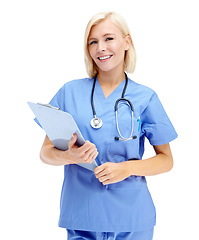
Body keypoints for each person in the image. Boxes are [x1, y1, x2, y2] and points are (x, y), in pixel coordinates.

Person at [38, 12, 177, 240]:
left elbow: (166, 159)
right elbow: (45, 153)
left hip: (132, 218)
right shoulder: (69, 93)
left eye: (108, 38)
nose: (100, 48)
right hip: (82, 216)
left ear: (127, 42)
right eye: (93, 42)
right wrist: (71, 156)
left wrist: (126, 169)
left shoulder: (145, 97)